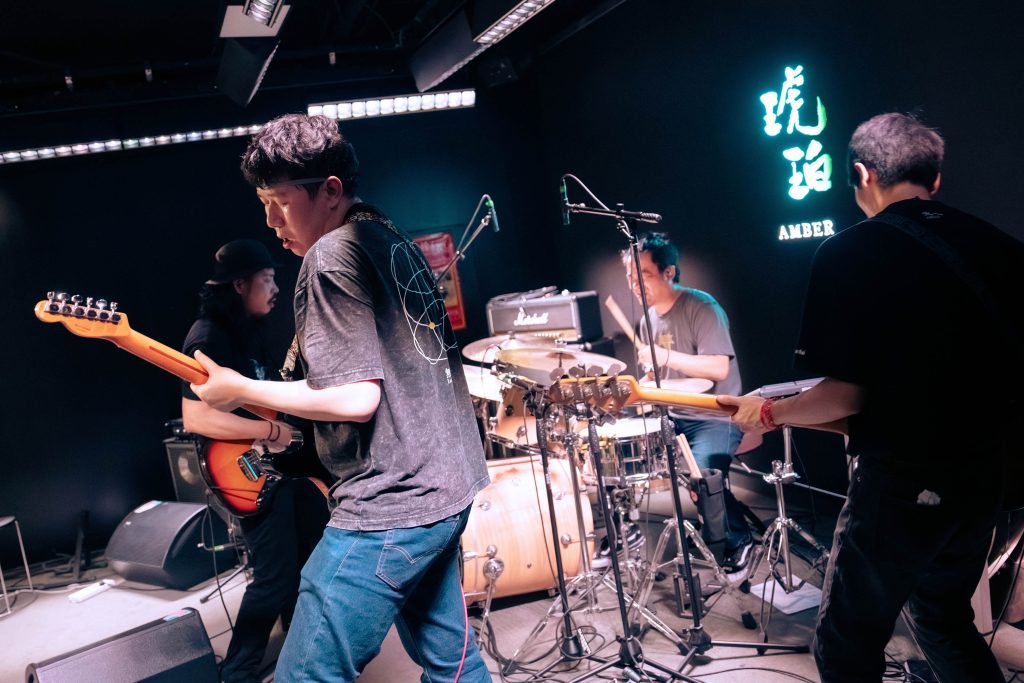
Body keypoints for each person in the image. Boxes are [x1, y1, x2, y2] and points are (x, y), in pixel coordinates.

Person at [720, 112, 1023, 682]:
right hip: (990, 478)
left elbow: (842, 396)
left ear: (861, 174)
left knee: (847, 642)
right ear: (935, 179)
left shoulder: (851, 251)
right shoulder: (1003, 248)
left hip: (905, 480)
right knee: (942, 619)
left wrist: (770, 412)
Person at [190, 114, 492, 682]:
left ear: (330, 191)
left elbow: (356, 398)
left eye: (280, 201)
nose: (270, 220)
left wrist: (238, 388)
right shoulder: (392, 240)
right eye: (263, 203)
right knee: (453, 664)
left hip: (390, 507)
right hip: (449, 489)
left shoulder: (329, 257)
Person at [181, 239, 330, 683]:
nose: (276, 288)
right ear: (239, 284)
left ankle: (301, 662)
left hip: (280, 468)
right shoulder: (207, 337)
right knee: (273, 577)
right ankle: (239, 673)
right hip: (247, 471)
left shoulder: (251, 329)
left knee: (305, 566)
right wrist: (270, 432)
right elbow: (196, 416)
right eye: (267, 279)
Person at [621, 232, 753, 571]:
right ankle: (625, 534)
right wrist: (646, 381)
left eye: (643, 275)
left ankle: (739, 539)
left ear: (668, 272)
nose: (634, 284)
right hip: (673, 415)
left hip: (715, 416)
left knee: (703, 476)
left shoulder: (703, 308)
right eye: (630, 277)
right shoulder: (647, 320)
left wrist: (666, 356)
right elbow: (660, 377)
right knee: (617, 461)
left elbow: (718, 367)